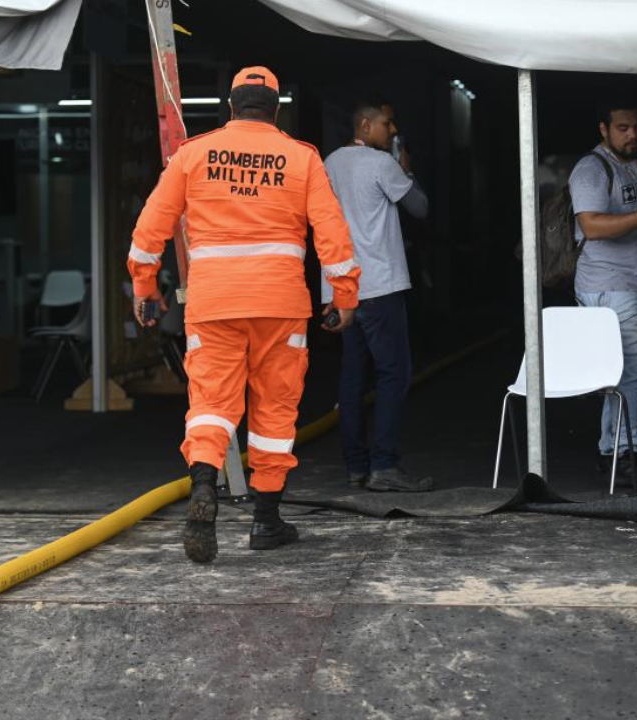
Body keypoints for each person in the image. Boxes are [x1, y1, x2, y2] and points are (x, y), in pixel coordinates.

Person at [129, 67, 361, 564]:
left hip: (213, 303)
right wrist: (344, 296)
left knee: (211, 402)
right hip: (280, 304)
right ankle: (266, 520)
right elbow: (332, 235)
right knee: (275, 411)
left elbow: (151, 226)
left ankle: (204, 487)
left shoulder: (192, 155)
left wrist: (146, 287)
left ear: (230, 106)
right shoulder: (301, 158)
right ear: (277, 110)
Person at [324, 99, 433, 493]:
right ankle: (384, 465)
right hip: (381, 287)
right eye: (387, 124)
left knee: (353, 378)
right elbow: (419, 208)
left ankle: (355, 466)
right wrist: (407, 169)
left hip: (344, 289)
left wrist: (330, 292)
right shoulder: (382, 163)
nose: (391, 130)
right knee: (393, 374)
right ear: (365, 125)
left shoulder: (329, 164)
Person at [569, 101, 637, 475]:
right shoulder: (591, 169)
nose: (633, 135)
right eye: (623, 128)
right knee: (628, 367)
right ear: (604, 129)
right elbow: (592, 226)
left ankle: (623, 444)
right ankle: (619, 449)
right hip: (610, 284)